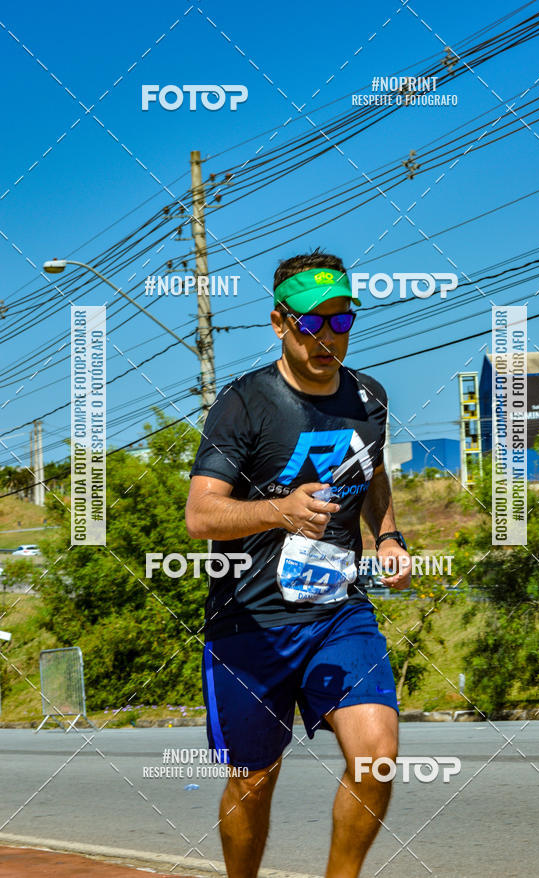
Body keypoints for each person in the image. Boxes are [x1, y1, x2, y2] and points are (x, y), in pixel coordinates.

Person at [186, 250, 411, 878]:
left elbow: (373, 475)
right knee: (252, 784)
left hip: (338, 611)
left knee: (376, 755)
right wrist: (280, 511)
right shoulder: (244, 402)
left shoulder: (369, 397)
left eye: (341, 320)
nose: (327, 336)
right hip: (250, 622)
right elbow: (201, 516)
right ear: (280, 322)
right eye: (312, 323)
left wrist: (388, 537)